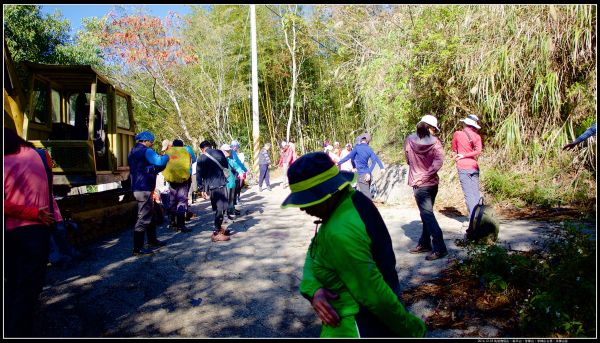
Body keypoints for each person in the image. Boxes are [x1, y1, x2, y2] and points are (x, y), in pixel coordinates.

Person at [281, 152, 426, 338]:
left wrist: (412, 329)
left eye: (307, 200)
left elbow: (374, 294)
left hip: (357, 327)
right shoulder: (349, 200)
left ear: (326, 193)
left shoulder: (340, 231)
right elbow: (315, 251)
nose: (302, 208)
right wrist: (313, 288)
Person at [4, 127, 63, 336]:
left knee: (12, 284)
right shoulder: (38, 155)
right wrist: (42, 215)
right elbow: (49, 191)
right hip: (37, 231)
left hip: (9, 233)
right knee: (29, 288)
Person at [405, 115, 448, 261]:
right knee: (426, 214)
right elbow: (438, 161)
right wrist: (427, 174)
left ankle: (440, 248)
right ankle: (424, 243)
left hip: (418, 184)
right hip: (432, 183)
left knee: (427, 215)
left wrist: (420, 176)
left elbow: (408, 159)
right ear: (430, 128)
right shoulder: (436, 142)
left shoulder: (410, 140)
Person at [128, 130, 170, 255]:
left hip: (138, 187)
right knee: (143, 217)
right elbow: (160, 162)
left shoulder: (132, 151)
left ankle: (152, 240)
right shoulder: (146, 151)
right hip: (144, 188)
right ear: (145, 141)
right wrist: (167, 156)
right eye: (151, 142)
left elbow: (147, 167)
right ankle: (138, 248)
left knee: (150, 214)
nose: (152, 144)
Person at [196, 140, 231, 242]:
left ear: (202, 149)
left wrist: (201, 188)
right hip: (221, 183)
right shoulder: (219, 152)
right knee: (221, 208)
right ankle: (216, 231)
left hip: (211, 186)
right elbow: (225, 165)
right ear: (210, 146)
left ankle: (218, 227)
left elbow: (198, 174)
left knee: (218, 208)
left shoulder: (201, 157)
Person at [451, 115, 483, 218]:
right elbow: (478, 151)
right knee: (475, 193)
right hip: (474, 166)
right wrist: (467, 154)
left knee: (468, 194)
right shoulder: (477, 137)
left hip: (463, 166)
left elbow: (454, 148)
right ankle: (480, 217)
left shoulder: (458, 134)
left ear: (465, 124)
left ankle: (473, 220)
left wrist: (462, 155)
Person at [337, 133, 384, 199]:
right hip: (369, 175)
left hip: (362, 176)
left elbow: (349, 157)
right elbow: (375, 160)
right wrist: (381, 168)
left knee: (366, 196)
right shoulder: (369, 149)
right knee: (363, 193)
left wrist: (338, 163)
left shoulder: (357, 148)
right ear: (368, 141)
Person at [163, 139, 195, 233]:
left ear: (173, 145)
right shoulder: (186, 151)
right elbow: (192, 162)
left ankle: (172, 222)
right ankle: (181, 226)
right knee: (182, 201)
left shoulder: (168, 152)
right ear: (182, 145)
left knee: (172, 201)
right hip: (183, 180)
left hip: (172, 180)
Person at [221, 143, 246, 220]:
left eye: (229, 150)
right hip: (224, 184)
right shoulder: (219, 161)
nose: (229, 152)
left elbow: (237, 167)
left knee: (231, 199)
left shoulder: (230, 160)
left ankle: (230, 212)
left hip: (231, 182)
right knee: (225, 199)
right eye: (227, 151)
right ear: (222, 151)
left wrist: (241, 173)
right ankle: (225, 214)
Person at [230, 139, 248, 206]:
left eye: (235, 146)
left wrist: (244, 170)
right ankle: (234, 201)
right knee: (235, 186)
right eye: (234, 146)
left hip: (235, 171)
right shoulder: (231, 152)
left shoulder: (234, 153)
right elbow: (238, 163)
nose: (235, 147)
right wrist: (245, 169)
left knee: (238, 185)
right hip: (234, 172)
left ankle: (236, 199)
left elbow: (240, 163)